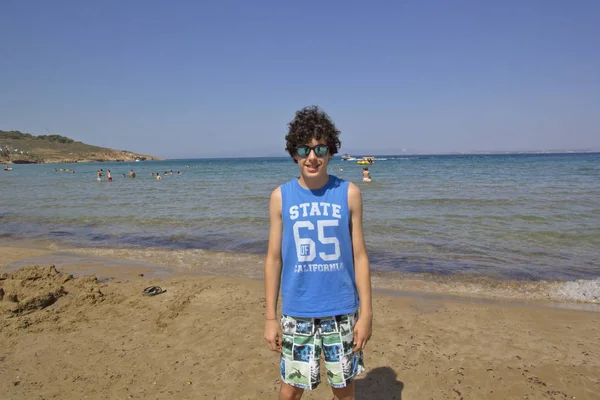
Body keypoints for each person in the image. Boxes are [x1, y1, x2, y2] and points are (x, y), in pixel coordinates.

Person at [264, 106, 373, 400]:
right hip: (298, 310)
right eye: (305, 148)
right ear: (294, 153)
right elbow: (274, 259)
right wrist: (270, 318)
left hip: (341, 311)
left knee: (344, 391)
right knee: (290, 391)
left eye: (320, 148)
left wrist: (367, 314)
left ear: (331, 151)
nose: (313, 156)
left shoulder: (349, 193)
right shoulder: (280, 197)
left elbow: (360, 256)